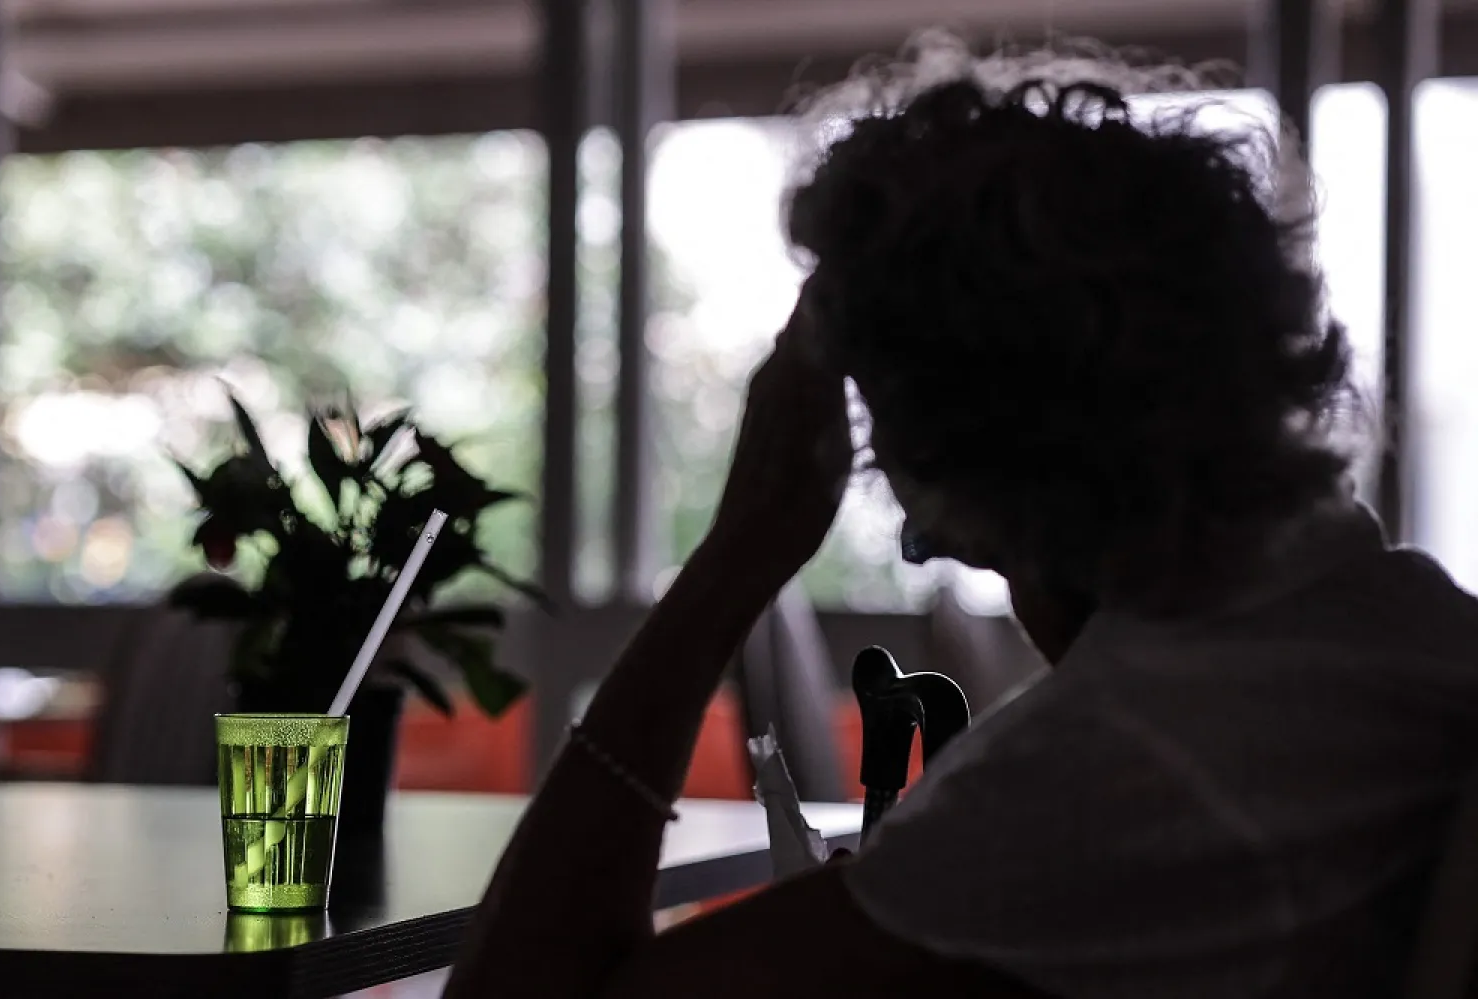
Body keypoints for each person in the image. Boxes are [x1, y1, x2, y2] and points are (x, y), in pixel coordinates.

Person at [442, 41, 1478, 999]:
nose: (908, 528)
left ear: (965, 456)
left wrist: (734, 560)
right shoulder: (1403, 630)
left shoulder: (1123, 764)